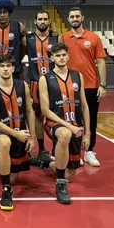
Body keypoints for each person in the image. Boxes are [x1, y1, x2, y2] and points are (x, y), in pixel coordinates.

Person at [34, 43, 90, 204]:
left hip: (76, 125)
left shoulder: (77, 76)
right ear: (52, 58)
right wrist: (69, 126)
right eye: (57, 55)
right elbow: (45, 110)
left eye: (64, 55)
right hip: (54, 122)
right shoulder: (45, 79)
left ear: (68, 56)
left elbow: (85, 106)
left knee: (69, 176)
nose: (61, 58)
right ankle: (60, 185)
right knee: (65, 135)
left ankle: (47, 161)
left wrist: (87, 133)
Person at [0, 54, 36, 211]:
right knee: (4, 143)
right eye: (2, 66)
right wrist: (16, 134)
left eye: (8, 66)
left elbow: (29, 112)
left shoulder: (23, 85)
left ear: (13, 68)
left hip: (20, 132)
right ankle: (6, 189)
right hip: (1, 131)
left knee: (14, 177)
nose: (5, 68)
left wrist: (32, 136)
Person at [59, 7, 106, 167]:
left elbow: (100, 61)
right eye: (72, 16)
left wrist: (103, 84)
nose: (74, 18)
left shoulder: (93, 38)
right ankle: (75, 152)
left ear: (82, 18)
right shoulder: (63, 38)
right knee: (72, 120)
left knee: (91, 120)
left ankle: (90, 151)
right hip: (70, 86)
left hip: (91, 85)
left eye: (77, 16)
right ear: (68, 19)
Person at [25, 10, 57, 163]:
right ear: (35, 21)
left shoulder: (57, 37)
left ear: (49, 22)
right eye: (40, 19)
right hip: (35, 83)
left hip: (54, 83)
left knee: (57, 114)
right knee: (38, 116)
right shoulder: (28, 39)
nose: (42, 21)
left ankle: (57, 148)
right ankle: (42, 149)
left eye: (45, 19)